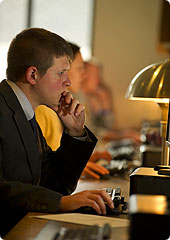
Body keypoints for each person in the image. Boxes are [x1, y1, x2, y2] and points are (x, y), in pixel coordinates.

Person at [0, 28, 114, 236]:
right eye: (61, 73)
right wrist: (59, 202)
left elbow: (53, 184)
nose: (68, 82)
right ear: (33, 74)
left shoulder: (24, 112)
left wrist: (75, 133)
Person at [35, 42, 111, 180]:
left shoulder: (62, 106)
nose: (85, 75)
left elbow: (59, 161)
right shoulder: (44, 111)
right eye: (80, 69)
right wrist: (77, 167)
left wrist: (83, 160)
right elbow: (48, 171)